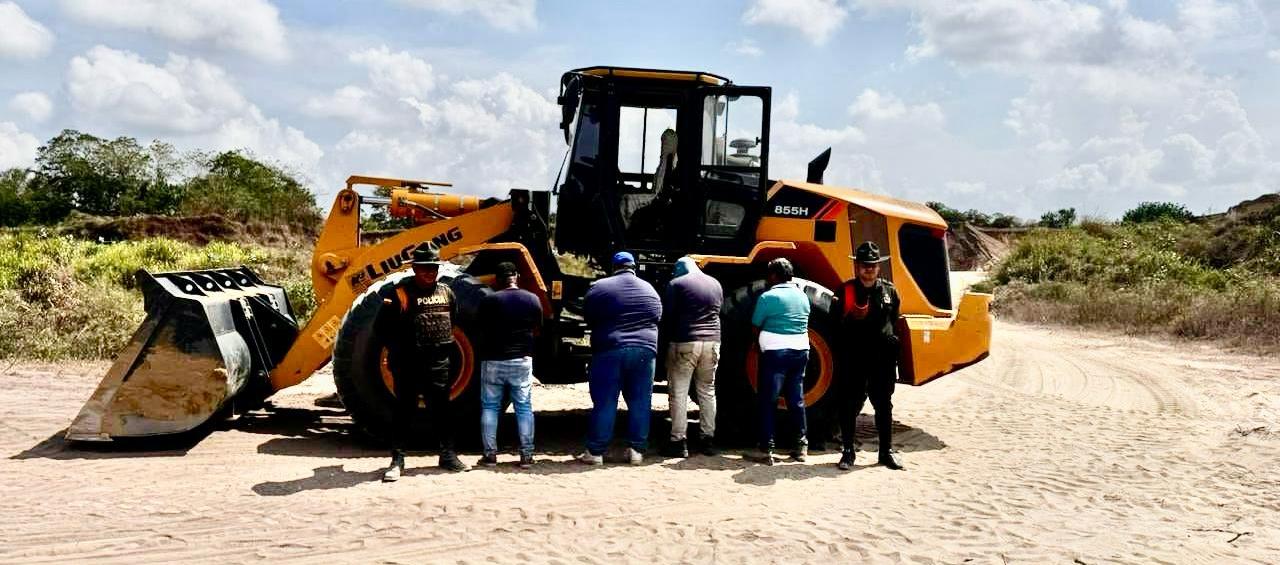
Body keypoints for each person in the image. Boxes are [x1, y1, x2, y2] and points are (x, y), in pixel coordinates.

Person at [378, 244, 470, 482]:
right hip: (407, 364)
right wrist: (396, 351)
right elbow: (381, 329)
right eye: (425, 268)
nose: (430, 272)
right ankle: (397, 461)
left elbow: (453, 320)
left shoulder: (447, 292)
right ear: (415, 269)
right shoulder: (399, 294)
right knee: (403, 412)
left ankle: (448, 456)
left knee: (443, 411)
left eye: (433, 268)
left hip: (438, 364)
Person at [576, 251, 663, 465]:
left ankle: (595, 453)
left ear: (614, 267)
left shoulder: (600, 287)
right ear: (633, 267)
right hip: (645, 350)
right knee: (640, 401)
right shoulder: (650, 289)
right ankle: (636, 451)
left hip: (610, 349)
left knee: (605, 401)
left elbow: (588, 316)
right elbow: (658, 317)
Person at [836, 242, 905, 471]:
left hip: (882, 359)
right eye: (865, 265)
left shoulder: (889, 291)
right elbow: (834, 324)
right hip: (854, 358)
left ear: (878, 267)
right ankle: (848, 453)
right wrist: (852, 318)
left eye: (873, 265)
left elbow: (893, 320)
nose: (869, 269)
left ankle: (886, 452)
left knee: (884, 405)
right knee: (849, 405)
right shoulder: (845, 290)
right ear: (857, 266)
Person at [476, 262, 543, 469]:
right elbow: (537, 328)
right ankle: (526, 456)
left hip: (493, 360)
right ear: (517, 276)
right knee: (524, 407)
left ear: (496, 280)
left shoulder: (489, 300)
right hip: (522, 360)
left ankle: (490, 456)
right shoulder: (532, 299)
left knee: (490, 407)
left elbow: (480, 328)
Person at [750, 257, 811, 465]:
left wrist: (758, 345)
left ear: (774, 276)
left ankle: (766, 448)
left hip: (776, 352)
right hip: (801, 351)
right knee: (796, 399)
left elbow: (756, 325)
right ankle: (801, 446)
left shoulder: (768, 297)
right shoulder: (802, 296)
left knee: (769, 399)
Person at [662, 256, 723, 458]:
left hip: (686, 341)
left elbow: (667, 315)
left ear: (680, 268)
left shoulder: (676, 284)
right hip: (713, 342)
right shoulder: (715, 283)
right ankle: (708, 440)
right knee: (707, 391)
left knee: (678, 392)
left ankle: (679, 442)